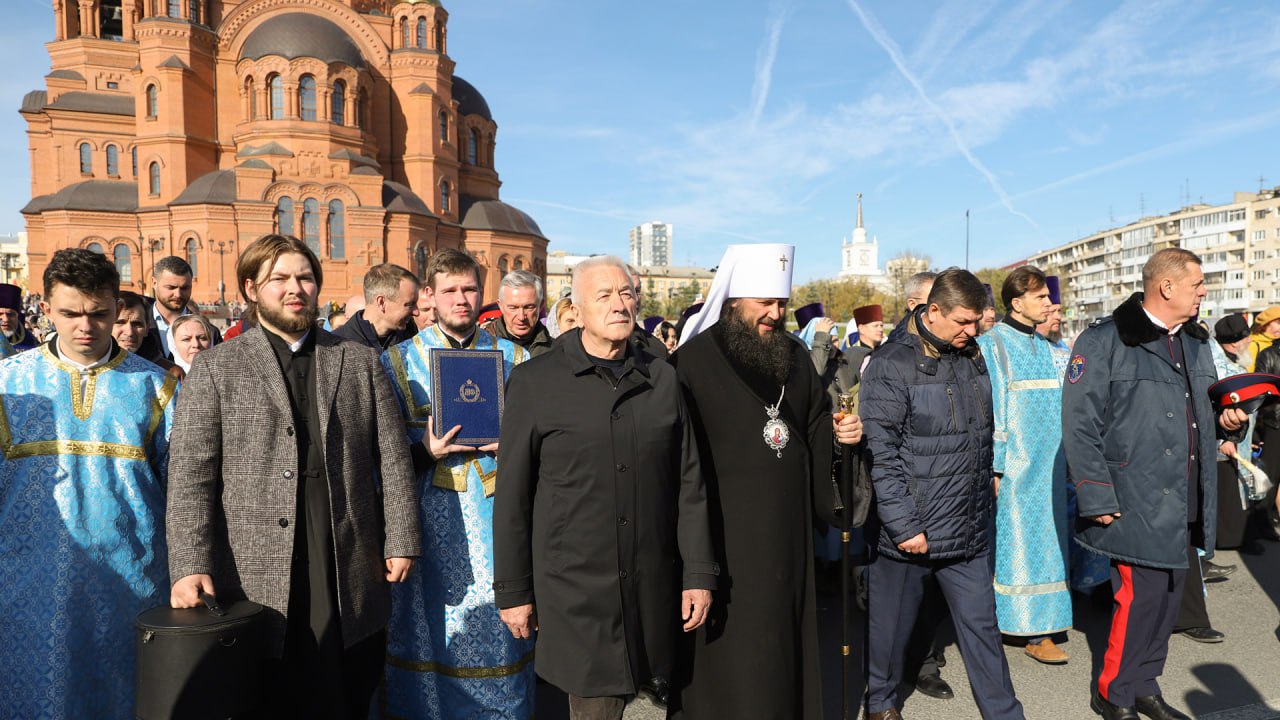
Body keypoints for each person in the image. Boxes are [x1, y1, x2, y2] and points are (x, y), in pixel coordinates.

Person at [167, 234, 421, 718]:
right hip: (250, 559)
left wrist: (401, 537)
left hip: (342, 549)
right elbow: (190, 475)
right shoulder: (218, 366)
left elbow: (391, 458)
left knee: (342, 683)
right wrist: (188, 563)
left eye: (305, 277)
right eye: (279, 279)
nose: (294, 289)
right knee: (266, 688)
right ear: (250, 287)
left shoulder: (358, 361)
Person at [494, 255, 718, 719]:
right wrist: (514, 591)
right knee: (594, 705)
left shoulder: (662, 379)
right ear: (574, 309)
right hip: (574, 587)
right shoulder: (536, 382)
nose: (620, 304)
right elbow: (513, 494)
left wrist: (698, 573)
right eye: (605, 295)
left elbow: (689, 483)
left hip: (650, 579)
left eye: (627, 293)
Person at [669, 243, 863, 720]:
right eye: (765, 304)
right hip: (724, 535)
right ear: (734, 300)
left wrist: (842, 439)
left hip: (786, 535)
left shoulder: (795, 357)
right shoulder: (692, 362)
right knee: (731, 661)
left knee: (783, 651)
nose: (776, 314)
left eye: (781, 303)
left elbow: (816, 425)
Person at [1062, 248, 1244, 720]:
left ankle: (1145, 684)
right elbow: (1080, 425)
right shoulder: (1103, 341)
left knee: (1168, 604)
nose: (1205, 292)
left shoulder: (1196, 342)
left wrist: (1228, 422)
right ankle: (1115, 693)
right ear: (1167, 287)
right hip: (1133, 494)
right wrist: (1094, 491)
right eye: (1198, 284)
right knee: (1138, 601)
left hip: (1185, 491)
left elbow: (1203, 409)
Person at [2, 248, 179, 718]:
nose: (85, 326)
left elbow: (185, 493)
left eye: (99, 314)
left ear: (116, 308)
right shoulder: (8, 384)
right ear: (46, 305)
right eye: (70, 313)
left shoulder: (156, 386)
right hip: (24, 582)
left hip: (133, 582)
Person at [861, 268, 1024, 720]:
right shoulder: (890, 364)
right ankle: (881, 703)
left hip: (967, 525)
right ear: (932, 311)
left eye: (977, 321)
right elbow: (882, 451)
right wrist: (904, 525)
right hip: (910, 532)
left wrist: (989, 474)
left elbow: (982, 428)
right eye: (964, 322)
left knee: (982, 630)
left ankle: (1005, 714)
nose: (973, 332)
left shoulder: (970, 354)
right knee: (891, 631)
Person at [379, 248, 534, 719]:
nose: (461, 299)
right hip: (428, 519)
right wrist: (426, 450)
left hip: (496, 515)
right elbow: (380, 457)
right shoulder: (397, 361)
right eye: (450, 290)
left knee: (500, 626)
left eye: (469, 289)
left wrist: (514, 447)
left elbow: (540, 442)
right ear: (429, 295)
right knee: (431, 627)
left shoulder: (516, 357)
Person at [976, 267, 1072, 665]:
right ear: (1017, 303)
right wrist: (997, 467)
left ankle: (1046, 622)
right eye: (1040, 298)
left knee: (1050, 545)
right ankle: (1029, 629)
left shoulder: (1048, 346)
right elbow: (993, 408)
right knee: (1017, 545)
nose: (1049, 304)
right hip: (1016, 467)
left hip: (1051, 465)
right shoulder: (992, 344)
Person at [333, 263, 420, 351]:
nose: (416, 312)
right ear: (381, 302)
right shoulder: (335, 346)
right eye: (409, 304)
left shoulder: (413, 341)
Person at [486, 269, 553, 357]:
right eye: (513, 308)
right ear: (500, 306)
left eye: (529, 307)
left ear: (541, 306)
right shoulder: (482, 345)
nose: (521, 317)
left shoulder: (556, 350)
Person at [845, 304, 884, 378]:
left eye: (881, 326)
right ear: (861, 328)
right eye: (875, 326)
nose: (880, 329)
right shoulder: (852, 355)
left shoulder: (885, 351)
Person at [0, 283, 37, 351]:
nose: (5, 319)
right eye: (0, 314)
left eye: (10, 314)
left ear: (17, 316)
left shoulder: (31, 343)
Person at [1246, 306, 1280, 371]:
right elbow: (1248, 373)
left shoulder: (1277, 344)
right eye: (1278, 323)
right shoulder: (1254, 344)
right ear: (1264, 325)